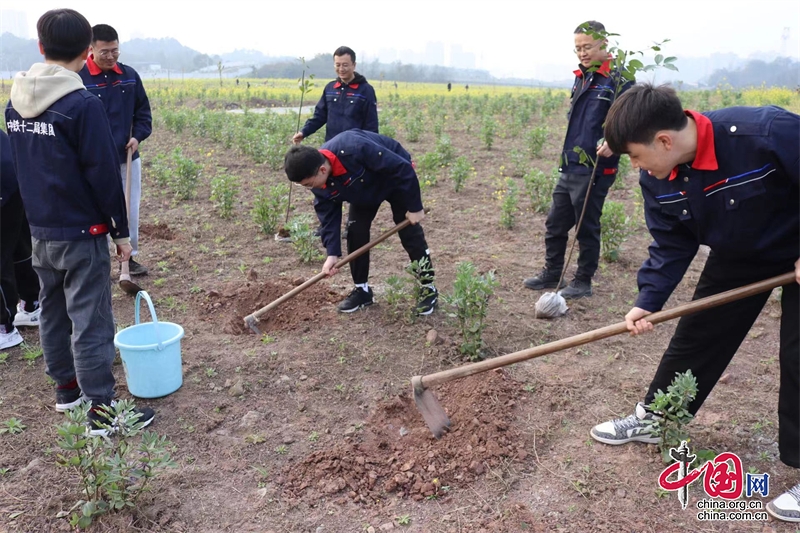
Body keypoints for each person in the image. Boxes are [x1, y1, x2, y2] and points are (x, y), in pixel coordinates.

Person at [588, 83, 799, 522]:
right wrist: (648, 299)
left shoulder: (765, 133)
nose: (636, 166)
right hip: (741, 254)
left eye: (635, 155)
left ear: (664, 140)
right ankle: (658, 417)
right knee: (698, 334)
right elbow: (671, 242)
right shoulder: (659, 177)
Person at [5, 8, 154, 434]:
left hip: (40, 230)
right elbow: (103, 174)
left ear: (40, 47)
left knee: (53, 311)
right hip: (82, 231)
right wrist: (121, 233)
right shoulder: (80, 103)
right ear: (87, 50)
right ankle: (101, 415)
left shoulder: (13, 105)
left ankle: (67, 392)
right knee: (91, 318)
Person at [523, 20, 632, 299]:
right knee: (555, 223)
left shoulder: (620, 78)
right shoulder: (582, 76)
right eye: (577, 48)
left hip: (597, 167)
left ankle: (583, 281)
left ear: (604, 44)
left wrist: (614, 142)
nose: (582, 53)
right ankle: (552, 273)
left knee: (586, 226)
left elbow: (633, 120)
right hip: (570, 162)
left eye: (587, 47)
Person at [284, 130, 438, 315]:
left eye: (309, 184)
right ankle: (362, 291)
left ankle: (428, 288)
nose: (310, 188)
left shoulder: (354, 148)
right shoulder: (320, 183)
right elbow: (328, 218)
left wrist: (414, 207)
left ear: (322, 170)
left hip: (393, 178)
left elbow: (401, 168)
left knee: (409, 230)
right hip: (362, 189)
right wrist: (332, 254)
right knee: (355, 231)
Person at [79, 24, 152, 276]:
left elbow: (143, 114)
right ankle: (96, 262)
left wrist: (137, 137)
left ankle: (129, 260)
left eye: (115, 51)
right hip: (92, 163)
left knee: (129, 209)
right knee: (93, 211)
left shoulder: (129, 76)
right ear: (91, 49)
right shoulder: (80, 78)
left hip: (127, 157)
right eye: (104, 52)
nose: (111, 57)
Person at [0, 130, 41, 349]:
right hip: (15, 173)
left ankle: (4, 328)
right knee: (17, 243)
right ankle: (31, 305)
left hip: (4, 178)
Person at [292, 46, 378, 144]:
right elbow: (319, 116)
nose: (341, 69)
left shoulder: (366, 90)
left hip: (355, 147)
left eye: (345, 65)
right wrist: (303, 132)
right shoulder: (330, 89)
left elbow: (371, 125)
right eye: (338, 65)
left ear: (354, 65)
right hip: (331, 146)